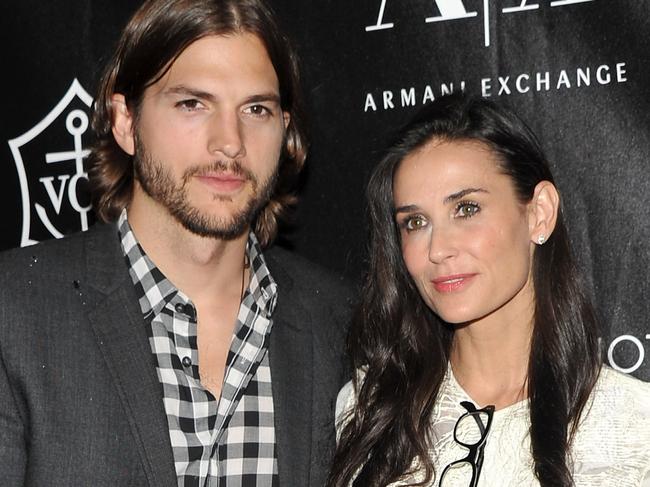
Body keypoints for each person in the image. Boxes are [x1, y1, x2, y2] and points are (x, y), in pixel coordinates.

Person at [0, 0, 351, 485]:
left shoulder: (344, 324)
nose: (229, 141)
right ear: (126, 121)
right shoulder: (13, 311)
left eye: (256, 109)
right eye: (193, 104)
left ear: (284, 129)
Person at [328, 94, 650, 486]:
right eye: (415, 222)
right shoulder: (368, 408)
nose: (438, 249)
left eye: (466, 209)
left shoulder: (633, 426)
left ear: (539, 213)